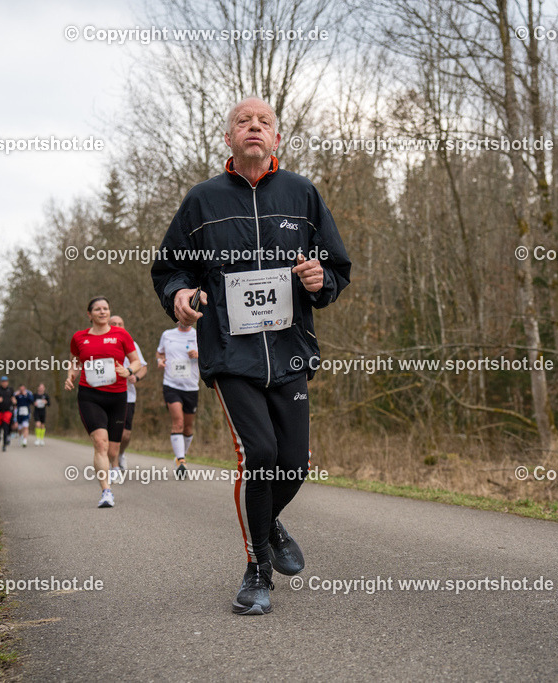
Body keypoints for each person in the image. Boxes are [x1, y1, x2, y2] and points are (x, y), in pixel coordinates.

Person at [152, 97, 352, 614]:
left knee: (294, 464)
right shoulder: (203, 200)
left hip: (289, 351)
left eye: (264, 122)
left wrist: (320, 279)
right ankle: (257, 568)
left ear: (277, 139)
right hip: (230, 353)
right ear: (229, 139)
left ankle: (266, 522)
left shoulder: (302, 193)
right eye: (244, 121)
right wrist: (179, 294)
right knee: (258, 453)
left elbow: (335, 269)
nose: (254, 128)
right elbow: (171, 268)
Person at [65, 297, 144, 508]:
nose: (103, 312)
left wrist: (128, 370)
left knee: (113, 450)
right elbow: (74, 361)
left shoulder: (121, 334)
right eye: (97, 309)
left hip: (117, 396)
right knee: (100, 443)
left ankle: (114, 466)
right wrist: (71, 375)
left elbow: (136, 361)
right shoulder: (79, 338)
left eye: (106, 308)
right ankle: (106, 491)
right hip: (90, 396)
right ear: (89, 314)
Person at [156, 322, 200, 479]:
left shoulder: (198, 334)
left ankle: (181, 455)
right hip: (171, 385)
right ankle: (181, 461)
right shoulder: (167, 334)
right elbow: (160, 353)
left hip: (191, 387)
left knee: (188, 428)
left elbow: (211, 356)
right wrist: (160, 361)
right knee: (178, 422)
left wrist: (198, 355)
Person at [108, 315, 148, 475]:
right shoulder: (102, 344)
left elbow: (143, 367)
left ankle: (120, 453)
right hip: (107, 394)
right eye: (114, 324)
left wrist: (135, 376)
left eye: (120, 324)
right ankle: (114, 464)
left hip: (127, 395)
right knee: (111, 432)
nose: (117, 326)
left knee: (125, 435)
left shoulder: (132, 344)